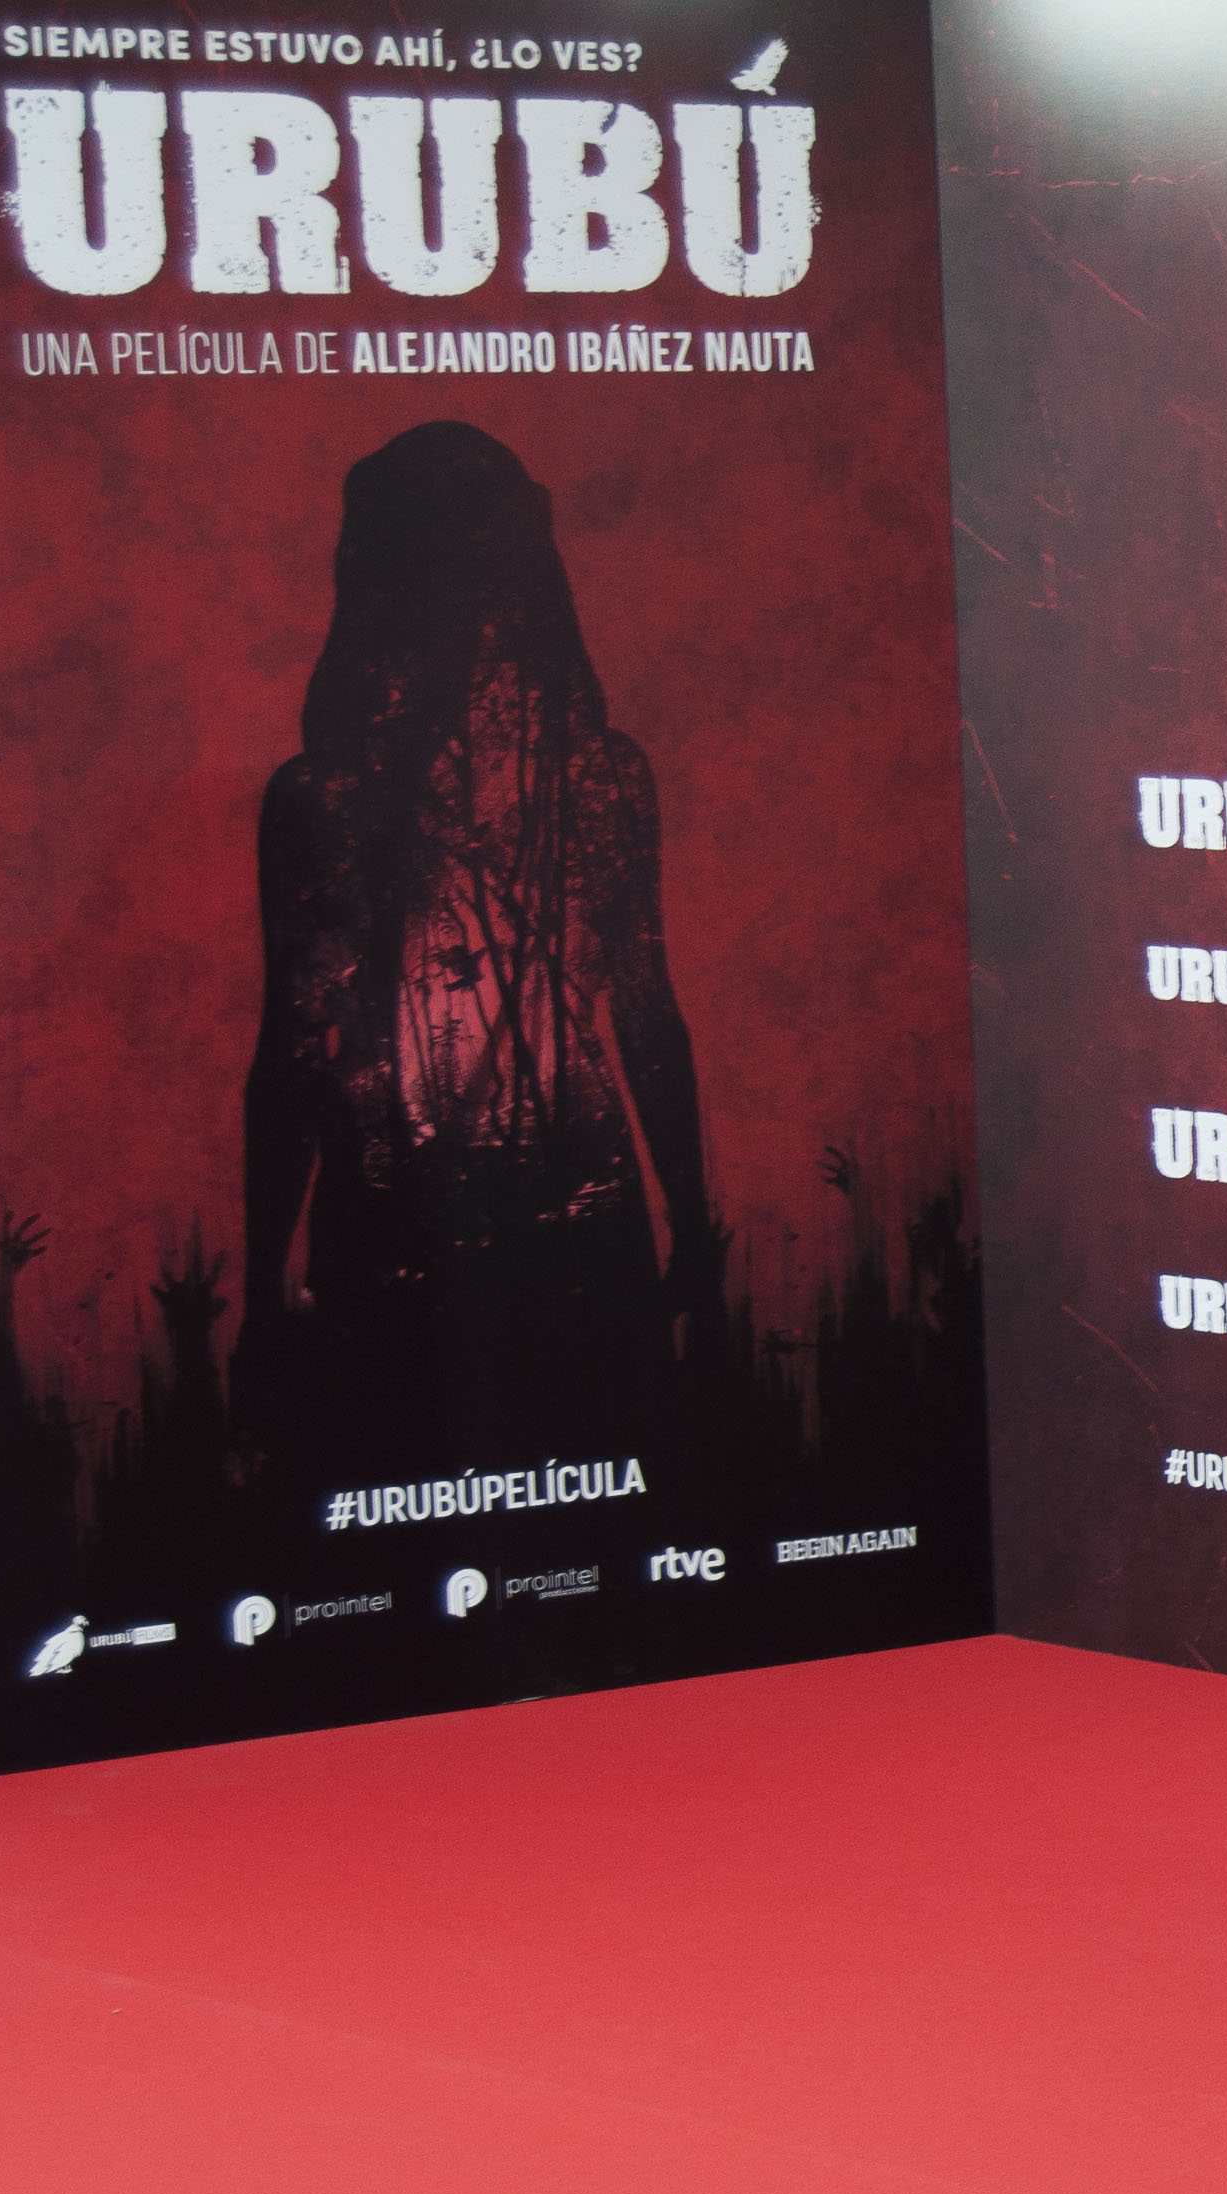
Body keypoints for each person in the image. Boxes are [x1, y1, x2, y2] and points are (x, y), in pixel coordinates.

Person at [238, 422, 716, 1466]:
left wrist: (262, 1295)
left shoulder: (332, 795)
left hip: (432, 1212)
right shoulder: (590, 776)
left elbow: (292, 1057)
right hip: (522, 1212)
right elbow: (645, 1015)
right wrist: (698, 1236)